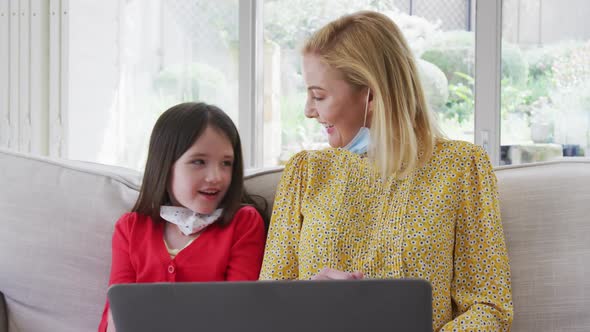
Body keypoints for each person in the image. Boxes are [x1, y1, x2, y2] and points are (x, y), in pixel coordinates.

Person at [259, 11, 513, 331]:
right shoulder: (306, 171)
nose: (309, 111)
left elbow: (490, 306)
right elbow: (266, 306)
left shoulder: (462, 167)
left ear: (372, 94)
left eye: (319, 96)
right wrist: (308, 295)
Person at [99, 102, 267, 332]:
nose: (216, 177)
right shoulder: (130, 228)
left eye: (226, 163)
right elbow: (118, 313)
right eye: (199, 162)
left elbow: (237, 311)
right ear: (165, 165)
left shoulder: (244, 223)